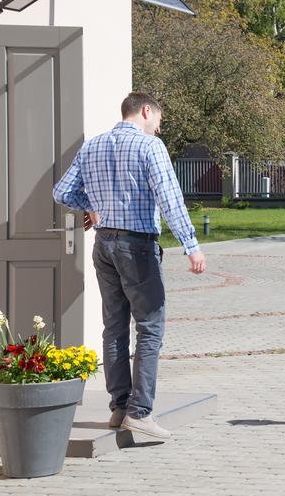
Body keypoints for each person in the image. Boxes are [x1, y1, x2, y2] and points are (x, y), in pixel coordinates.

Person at [53, 92, 206, 439]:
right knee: (150, 327)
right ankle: (139, 413)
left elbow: (61, 192)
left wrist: (90, 206)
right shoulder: (151, 147)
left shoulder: (91, 145)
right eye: (158, 122)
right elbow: (170, 199)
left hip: (104, 243)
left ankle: (119, 407)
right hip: (137, 246)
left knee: (115, 327)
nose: (158, 128)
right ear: (146, 111)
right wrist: (191, 246)